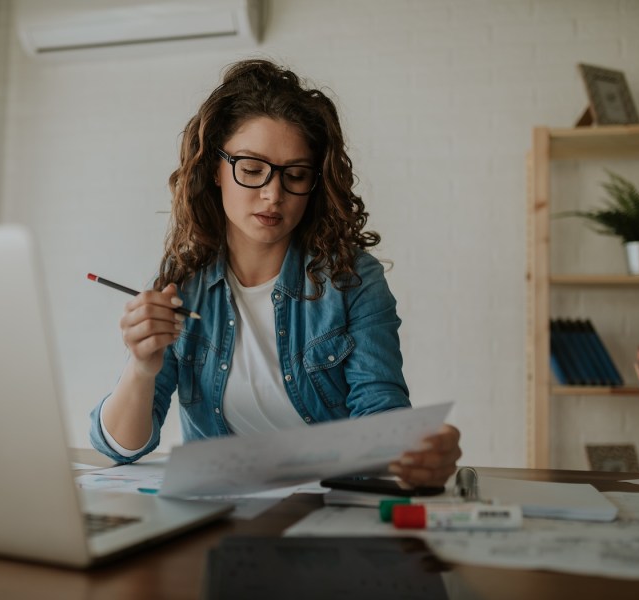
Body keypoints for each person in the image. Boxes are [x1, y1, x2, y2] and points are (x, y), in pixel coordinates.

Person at [90, 59, 461, 488]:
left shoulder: (352, 278)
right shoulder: (183, 281)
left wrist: (416, 451)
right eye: (251, 169)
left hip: (325, 508)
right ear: (216, 169)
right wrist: (141, 367)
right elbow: (121, 447)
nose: (273, 195)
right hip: (219, 511)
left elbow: (380, 411)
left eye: (296, 175)